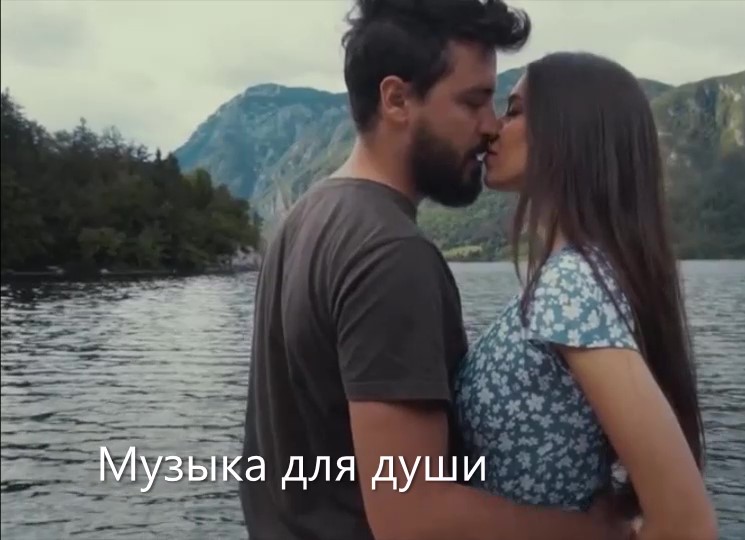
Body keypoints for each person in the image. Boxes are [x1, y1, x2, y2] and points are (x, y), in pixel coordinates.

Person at [239, 1, 635, 539]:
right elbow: (414, 515)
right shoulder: (391, 254)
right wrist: (597, 532)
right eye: (473, 101)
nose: (490, 126)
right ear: (397, 100)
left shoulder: (305, 219)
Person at [453, 51, 719, 540]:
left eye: (515, 112)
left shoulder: (570, 285)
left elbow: (686, 524)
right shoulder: (580, 275)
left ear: (567, 133)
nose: (493, 129)